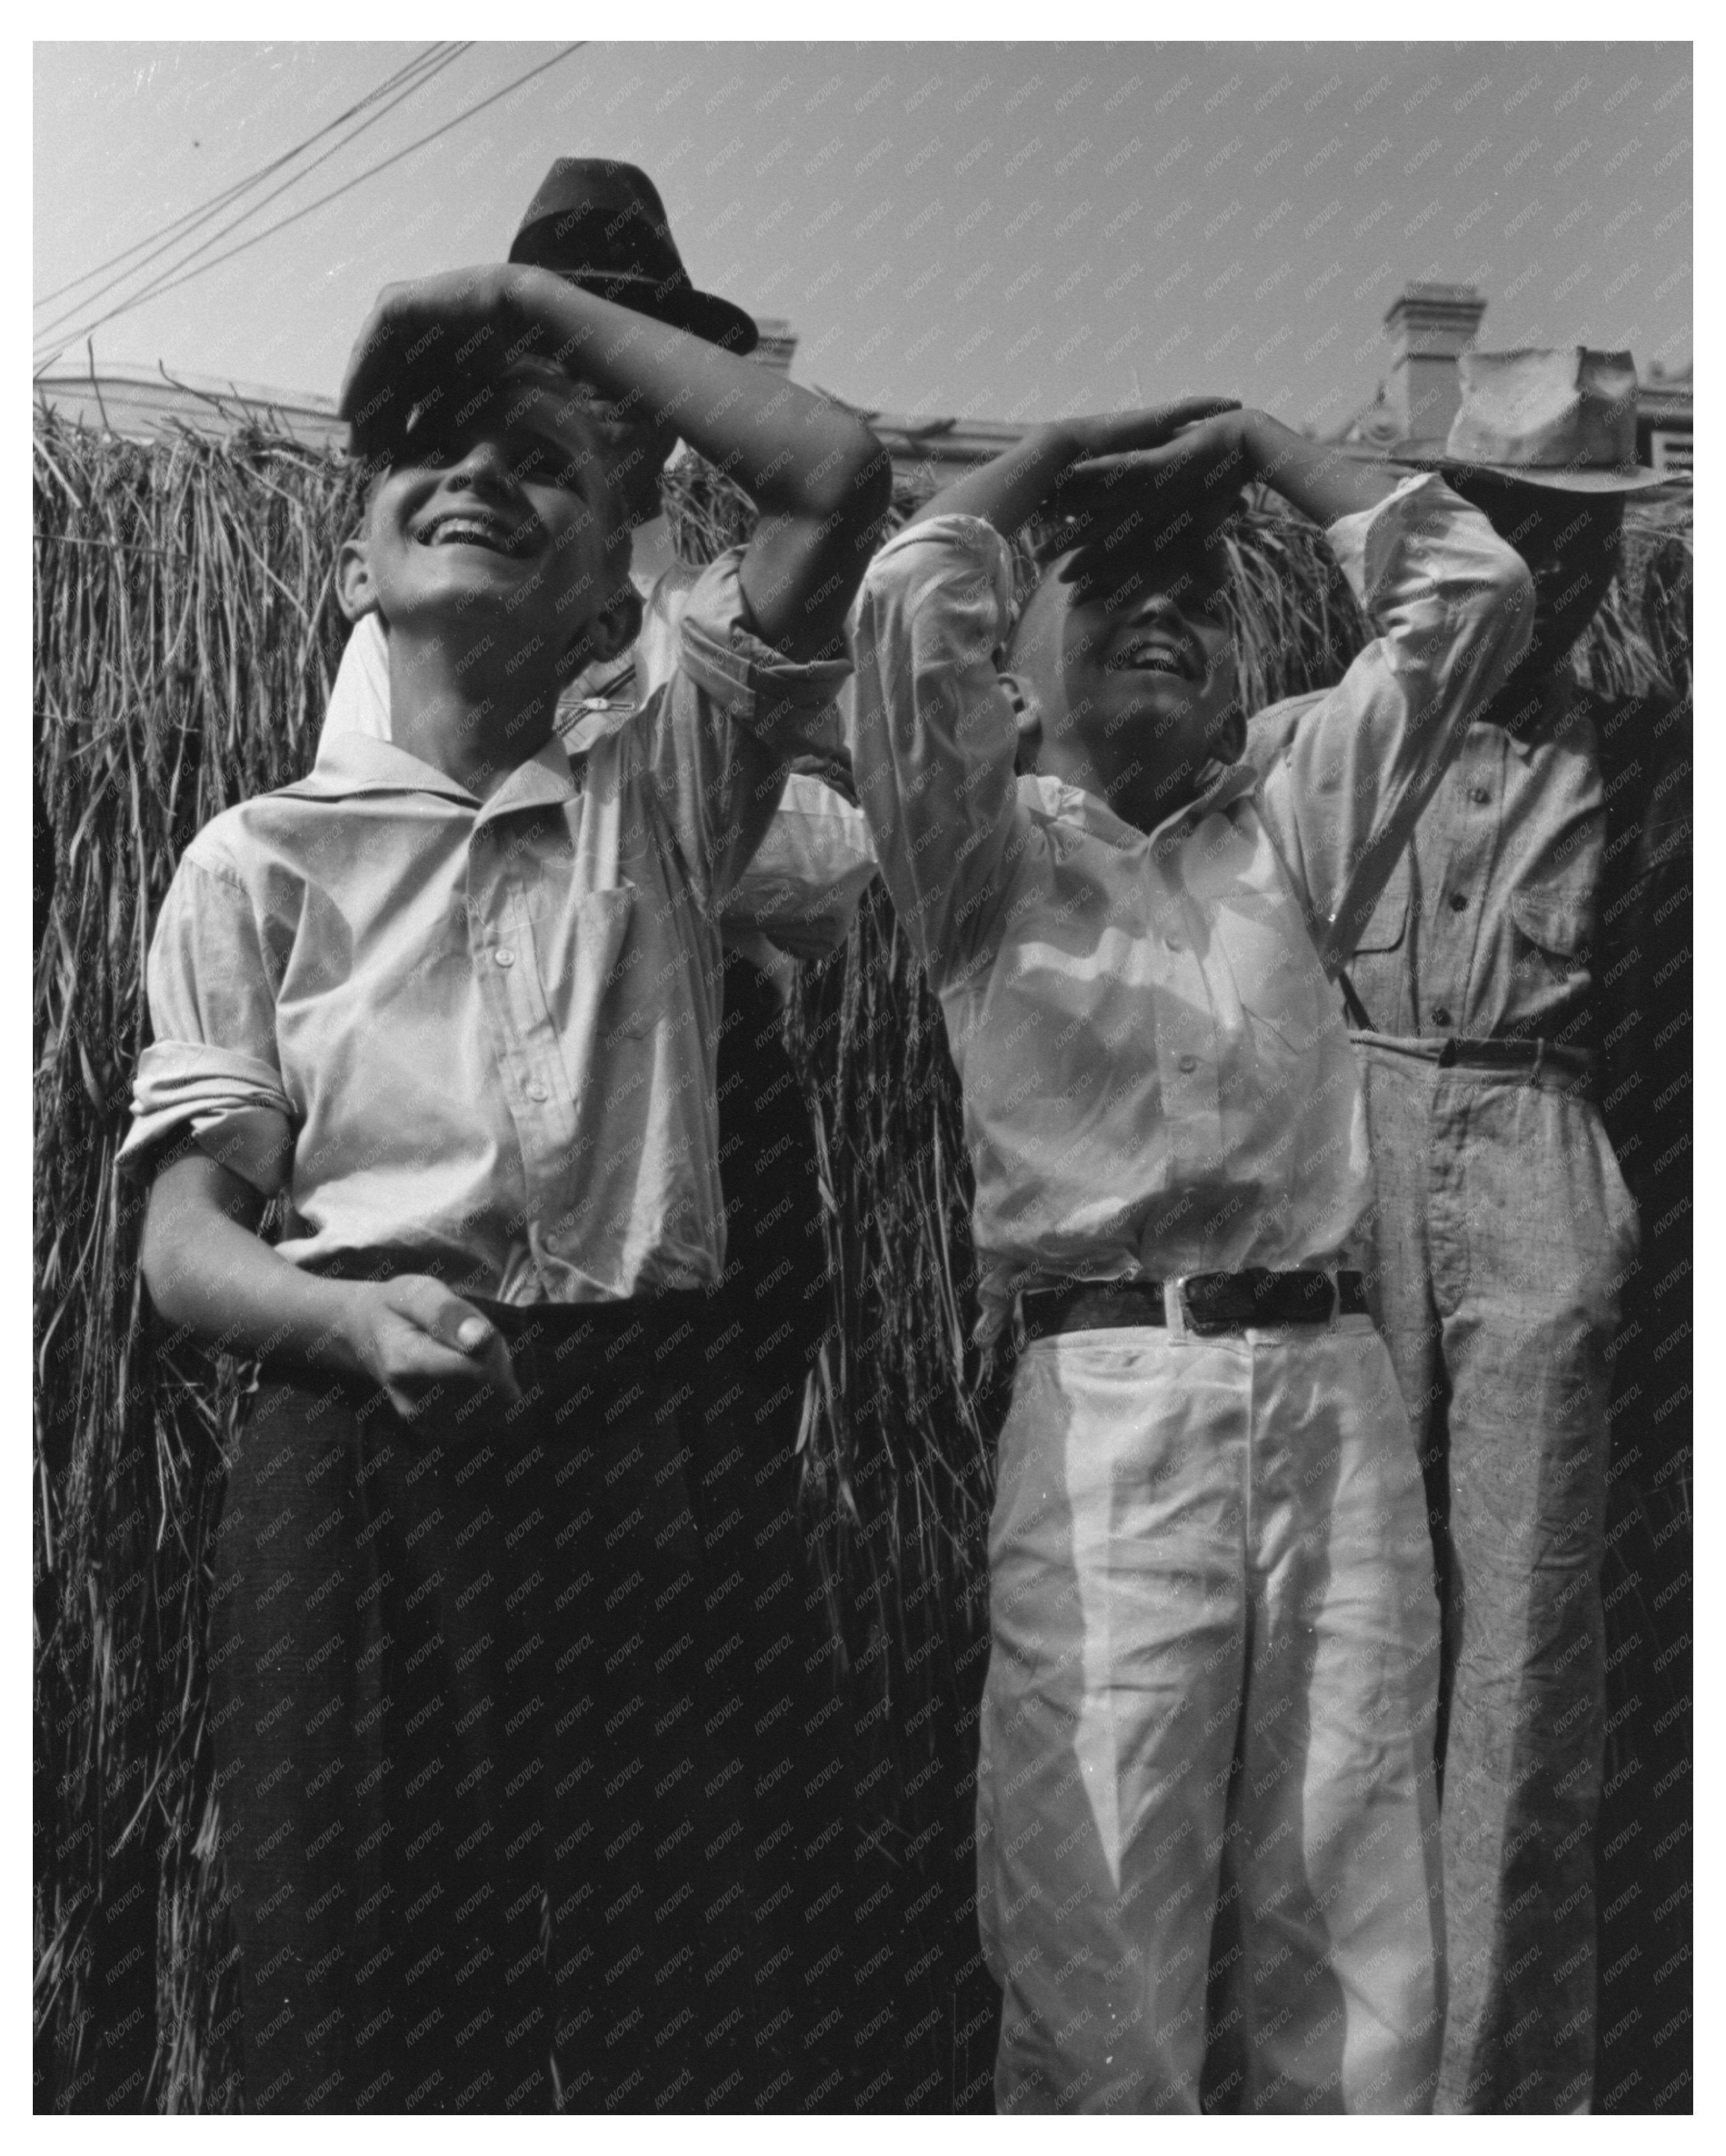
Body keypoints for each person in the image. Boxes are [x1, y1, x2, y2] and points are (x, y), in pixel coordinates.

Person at [121, 205, 890, 2112]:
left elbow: (839, 474)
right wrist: (343, 1318)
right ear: (356, 547)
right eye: (432, 452)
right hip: (359, 1447)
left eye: (543, 458)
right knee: (362, 2011)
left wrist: (521, 305)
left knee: (687, 2004)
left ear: (618, 563)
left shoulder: (672, 777)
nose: (480, 473)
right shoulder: (253, 861)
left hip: (641, 1444)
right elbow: (183, 1241)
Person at [847, 398, 1535, 2112]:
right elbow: (897, 599)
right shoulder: (975, 851)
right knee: (1095, 1954)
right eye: (1108, 582)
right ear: (1017, 653)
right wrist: (1068, 456)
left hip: (1331, 1403)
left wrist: (1249, 444)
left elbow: (1471, 589)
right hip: (1103, 1421)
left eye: (1194, 592)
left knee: (1359, 1949)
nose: (1162, 608)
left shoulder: (1296, 815)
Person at [1265, 349, 1671, 2112]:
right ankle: (1310, 2076)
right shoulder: (1346, 719)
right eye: (1501, 522)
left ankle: (1500, 2103)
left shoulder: (1654, 740)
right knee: (1340, 1630)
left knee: (1521, 1668)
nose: (1537, 561)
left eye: (1568, 533)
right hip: (1350, 1140)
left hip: (1539, 1143)